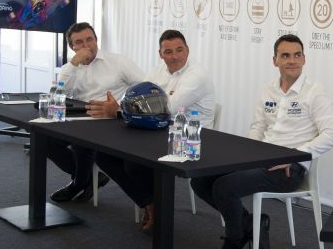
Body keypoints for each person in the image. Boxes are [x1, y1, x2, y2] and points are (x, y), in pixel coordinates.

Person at [191, 34, 333, 249]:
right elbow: (258, 127)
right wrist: (248, 155)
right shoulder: (268, 89)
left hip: (290, 169)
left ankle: (235, 238)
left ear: (304, 58)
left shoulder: (315, 92)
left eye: (297, 55)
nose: (292, 60)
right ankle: (250, 224)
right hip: (260, 159)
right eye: (285, 55)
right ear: (275, 60)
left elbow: (331, 136)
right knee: (200, 180)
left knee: (225, 187)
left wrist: (294, 156)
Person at [86, 29, 216, 230]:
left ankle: (156, 208)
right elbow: (138, 96)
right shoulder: (158, 70)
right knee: (104, 156)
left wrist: (118, 110)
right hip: (157, 129)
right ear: (160, 54)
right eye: (168, 52)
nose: (174, 56)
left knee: (134, 163)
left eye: (179, 50)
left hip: (189, 138)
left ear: (188, 50)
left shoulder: (197, 75)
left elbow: (166, 108)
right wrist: (120, 105)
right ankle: (149, 202)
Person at [48, 22, 144, 202]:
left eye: (89, 39)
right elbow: (56, 95)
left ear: (96, 40)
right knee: (45, 139)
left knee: (81, 142)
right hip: (79, 118)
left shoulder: (118, 62)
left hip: (109, 120)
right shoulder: (71, 67)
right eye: (79, 42)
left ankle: (79, 183)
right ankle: (88, 177)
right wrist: (73, 64)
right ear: (72, 47)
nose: (86, 46)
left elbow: (145, 89)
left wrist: (119, 107)